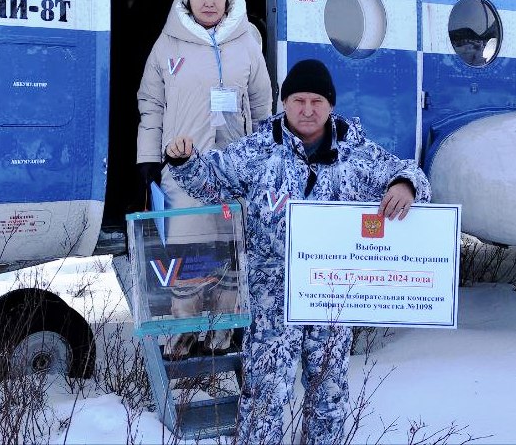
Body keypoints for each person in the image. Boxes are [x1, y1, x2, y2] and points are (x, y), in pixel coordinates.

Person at [163, 58, 431, 445]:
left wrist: (405, 185)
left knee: (328, 396)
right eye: (298, 100)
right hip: (274, 296)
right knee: (265, 397)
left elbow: (410, 174)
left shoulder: (355, 153)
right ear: (284, 102)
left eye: (316, 101)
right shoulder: (260, 150)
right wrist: (184, 160)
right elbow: (211, 179)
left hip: (333, 296)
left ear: (330, 104)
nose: (307, 110)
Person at [136, 0, 273, 358]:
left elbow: (263, 103)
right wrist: (148, 158)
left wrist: (266, 159)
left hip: (235, 167)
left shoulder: (247, 40)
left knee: (230, 249)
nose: (209, 1)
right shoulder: (167, 44)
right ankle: (183, 329)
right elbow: (151, 104)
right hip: (183, 168)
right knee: (188, 250)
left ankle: (224, 330)